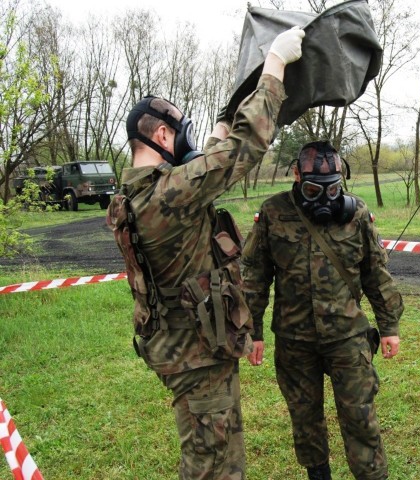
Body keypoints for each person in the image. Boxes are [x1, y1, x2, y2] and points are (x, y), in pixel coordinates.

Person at [106, 26, 305, 480]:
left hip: (181, 348)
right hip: (196, 357)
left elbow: (201, 169)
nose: (186, 142)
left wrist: (219, 124)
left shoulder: (132, 196)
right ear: (161, 134)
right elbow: (243, 147)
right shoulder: (169, 194)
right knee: (211, 464)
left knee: (217, 453)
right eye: (180, 133)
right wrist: (274, 66)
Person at [241, 140, 404, 480]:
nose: (324, 199)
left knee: (360, 416)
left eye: (332, 190)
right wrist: (252, 331)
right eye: (314, 189)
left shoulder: (357, 213)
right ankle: (318, 475)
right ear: (297, 174)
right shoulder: (273, 213)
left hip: (348, 337)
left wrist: (389, 326)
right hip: (294, 340)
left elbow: (376, 273)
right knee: (304, 417)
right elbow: (255, 277)